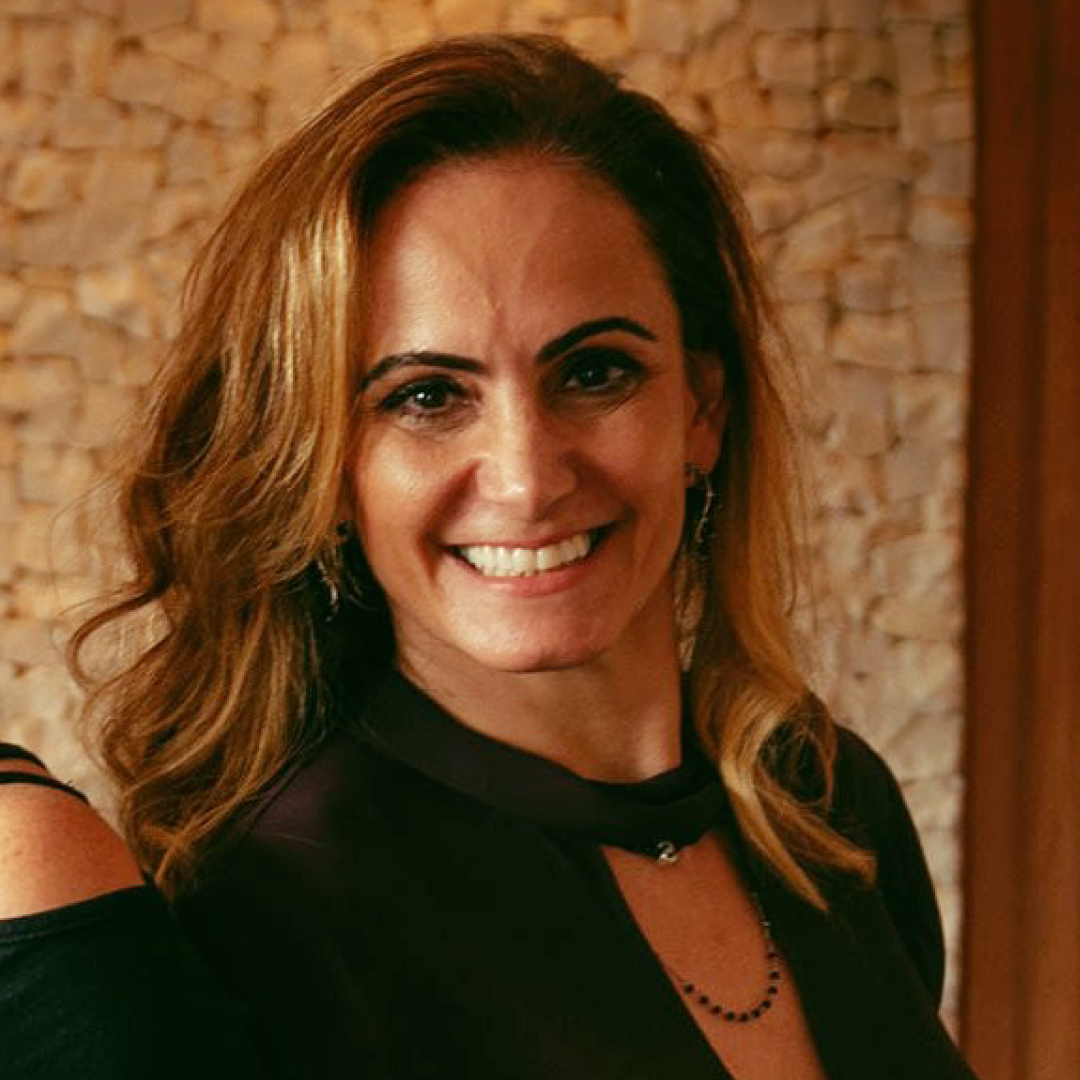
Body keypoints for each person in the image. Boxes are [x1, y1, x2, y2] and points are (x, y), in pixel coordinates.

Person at [0, 33, 978, 1080]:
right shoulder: (274, 905)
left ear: (701, 407)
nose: (526, 478)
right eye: (426, 396)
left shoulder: (828, 800)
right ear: (328, 466)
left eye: (595, 372)